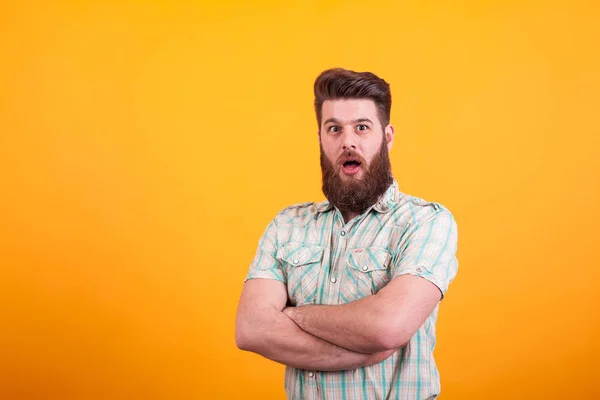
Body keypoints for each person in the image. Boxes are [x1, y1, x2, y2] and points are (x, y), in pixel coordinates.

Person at [235, 68, 458, 400]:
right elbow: (251, 330)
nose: (348, 141)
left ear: (388, 136)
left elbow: (387, 327)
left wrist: (294, 314)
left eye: (362, 128)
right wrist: (360, 349)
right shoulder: (287, 225)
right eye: (334, 128)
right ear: (320, 138)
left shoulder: (424, 223)